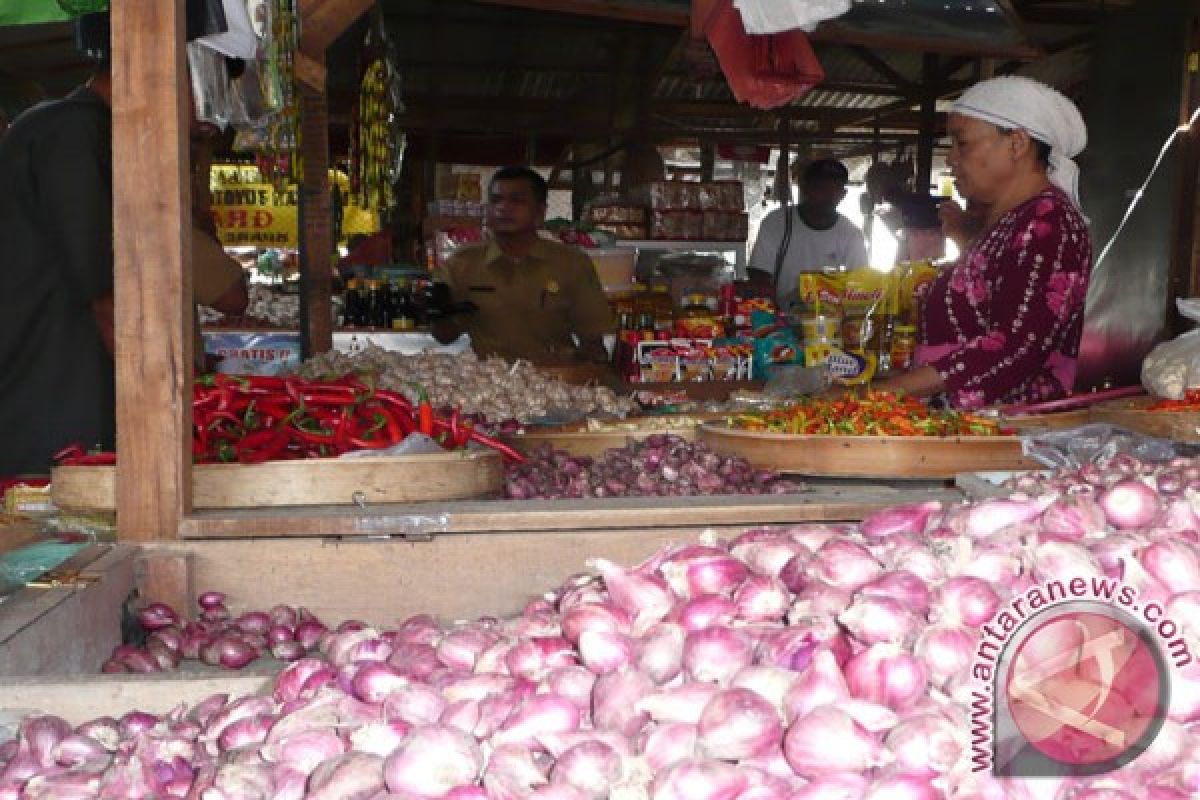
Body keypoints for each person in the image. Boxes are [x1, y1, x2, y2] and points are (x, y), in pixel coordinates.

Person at [872, 76, 1092, 410]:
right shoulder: (1011, 221)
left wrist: (877, 396)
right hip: (967, 425)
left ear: (1016, 143)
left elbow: (1015, 347)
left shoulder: (1048, 222)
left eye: (962, 143)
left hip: (1002, 432)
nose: (951, 159)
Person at [433, 166, 614, 363]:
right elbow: (443, 336)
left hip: (554, 384)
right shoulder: (462, 264)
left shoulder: (571, 264)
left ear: (540, 212)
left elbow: (593, 344)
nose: (503, 207)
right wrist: (442, 309)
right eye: (496, 200)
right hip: (488, 383)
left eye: (517, 200)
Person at [749, 158, 868, 311]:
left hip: (830, 320)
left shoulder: (851, 234)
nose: (828, 195)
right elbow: (759, 274)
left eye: (835, 189)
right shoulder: (777, 222)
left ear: (843, 194)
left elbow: (859, 284)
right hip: (780, 317)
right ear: (805, 189)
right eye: (820, 188)